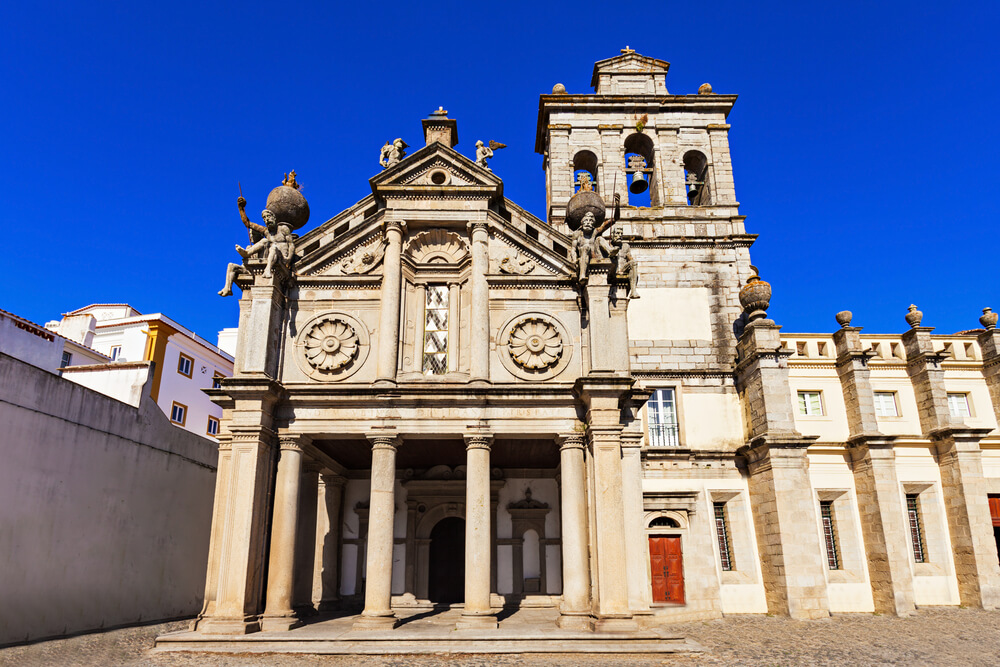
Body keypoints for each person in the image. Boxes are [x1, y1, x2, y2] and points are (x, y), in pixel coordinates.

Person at [568, 193, 619, 285]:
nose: (588, 223)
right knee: (585, 247)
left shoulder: (595, 232)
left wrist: (617, 205)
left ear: (593, 224)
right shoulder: (577, 234)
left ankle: (610, 251)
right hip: (583, 256)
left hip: (596, 255)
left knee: (599, 239)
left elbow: (614, 219)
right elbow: (573, 249)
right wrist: (574, 260)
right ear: (582, 223)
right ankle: (582, 274)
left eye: (590, 221)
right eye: (586, 221)